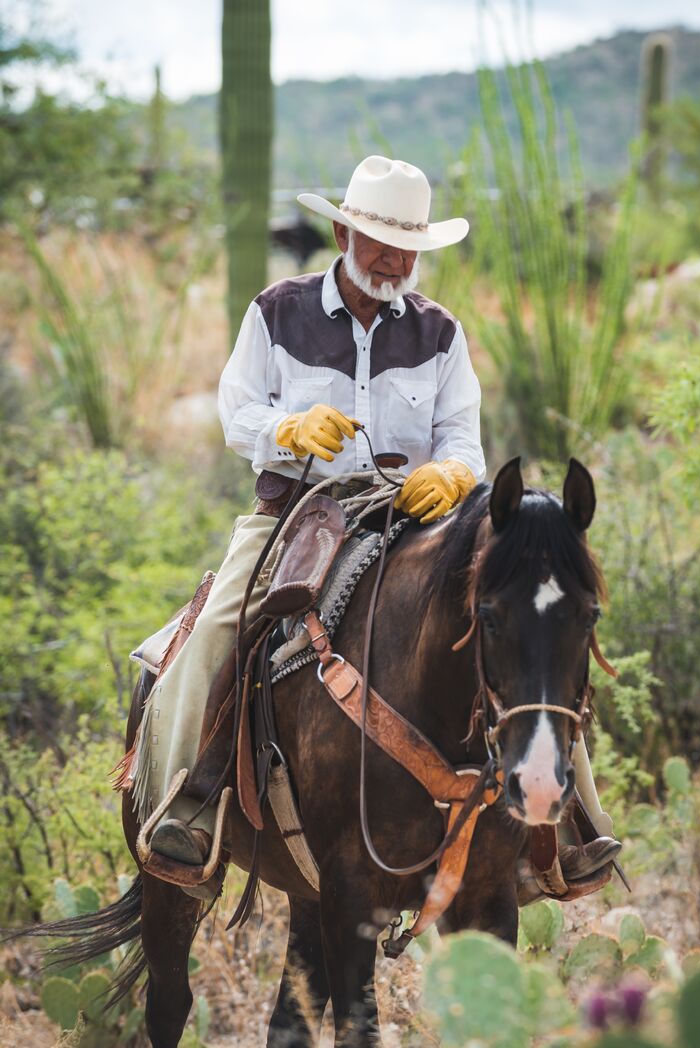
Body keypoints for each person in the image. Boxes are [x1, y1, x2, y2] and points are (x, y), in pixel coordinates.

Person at [132, 155, 618, 899]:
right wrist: (288, 429)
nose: (396, 260)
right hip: (300, 512)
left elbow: (461, 435)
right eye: (380, 242)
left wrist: (453, 473)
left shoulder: (440, 332)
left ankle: (569, 822)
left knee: (531, 615)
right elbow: (237, 413)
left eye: (408, 246)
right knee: (216, 630)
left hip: (417, 516)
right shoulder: (276, 310)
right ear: (341, 232)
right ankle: (190, 802)